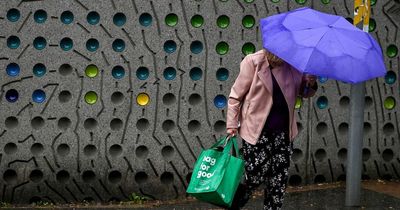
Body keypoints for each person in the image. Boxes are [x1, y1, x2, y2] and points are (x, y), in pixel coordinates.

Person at [226, 49, 317, 210]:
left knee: (278, 181)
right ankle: (233, 206)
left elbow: (303, 93)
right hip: (257, 132)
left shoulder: (294, 64)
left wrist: (309, 84)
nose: (277, 63)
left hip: (283, 134)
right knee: (253, 177)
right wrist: (232, 125)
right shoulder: (253, 61)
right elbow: (235, 97)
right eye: (274, 61)